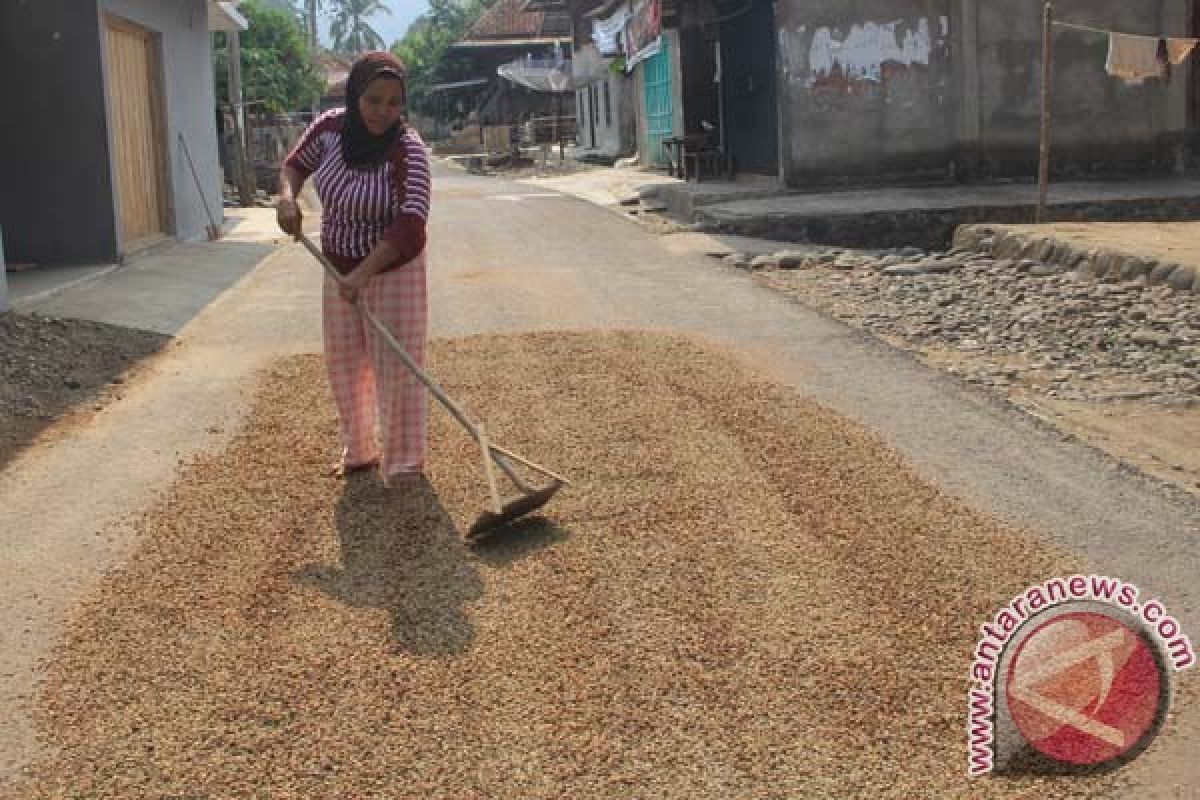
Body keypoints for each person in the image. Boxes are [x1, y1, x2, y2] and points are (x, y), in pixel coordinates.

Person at [276, 52, 431, 485]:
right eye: (374, 99)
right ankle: (360, 451)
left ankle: (403, 463)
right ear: (355, 94)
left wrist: (362, 275)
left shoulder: (408, 148)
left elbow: (411, 220)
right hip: (337, 263)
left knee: (397, 367)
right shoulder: (329, 128)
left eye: (394, 102)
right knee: (346, 362)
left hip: (392, 270)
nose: (384, 111)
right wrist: (286, 198)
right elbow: (294, 164)